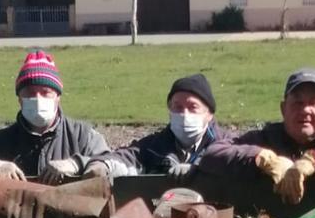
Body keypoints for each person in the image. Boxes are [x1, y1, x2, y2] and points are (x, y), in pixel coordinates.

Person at [197, 67, 315, 205]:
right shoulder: (267, 138)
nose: (305, 110)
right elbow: (213, 154)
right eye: (298, 102)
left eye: (314, 103)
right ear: (283, 109)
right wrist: (262, 158)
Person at [0, 50, 109, 184]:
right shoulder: (3, 140)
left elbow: (112, 163)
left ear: (58, 97)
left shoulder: (82, 136)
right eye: (30, 93)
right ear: (20, 100)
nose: (37, 99)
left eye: (45, 93)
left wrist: (76, 164)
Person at [82, 73, 231, 180]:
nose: (184, 114)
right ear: (169, 110)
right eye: (177, 107)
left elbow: (240, 160)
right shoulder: (155, 146)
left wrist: (200, 167)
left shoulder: (226, 143)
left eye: (193, 107)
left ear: (209, 113)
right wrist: (102, 165)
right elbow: (128, 156)